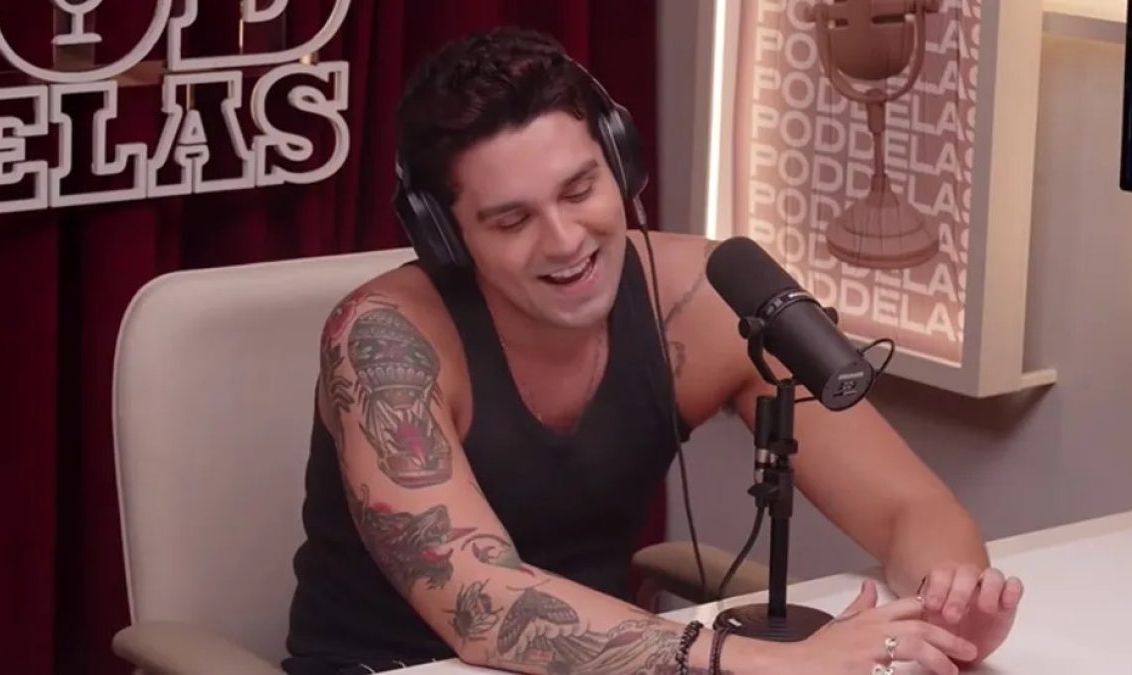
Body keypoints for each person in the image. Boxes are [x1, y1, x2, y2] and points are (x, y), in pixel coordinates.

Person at [283, 26, 1023, 675]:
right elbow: (483, 604)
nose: (565, 240)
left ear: (621, 164)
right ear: (445, 237)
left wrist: (946, 607)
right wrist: (769, 661)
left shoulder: (708, 299)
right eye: (512, 221)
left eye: (580, 190)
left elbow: (909, 508)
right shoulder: (384, 342)